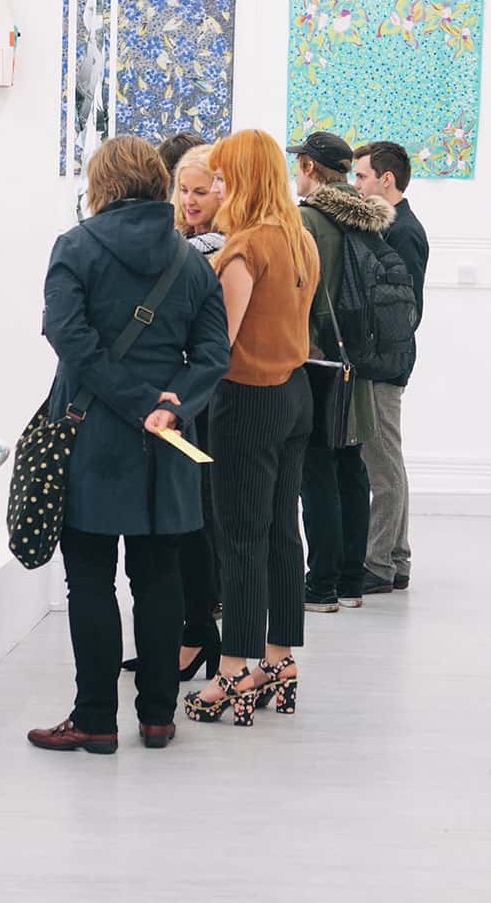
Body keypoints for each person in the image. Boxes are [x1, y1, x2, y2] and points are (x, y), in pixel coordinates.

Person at [28, 138, 231, 755]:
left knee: (89, 580)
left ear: (101, 183)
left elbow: (67, 335)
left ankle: (94, 720)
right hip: (166, 441)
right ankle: (158, 718)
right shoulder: (191, 259)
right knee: (159, 577)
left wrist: (133, 400)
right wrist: (169, 404)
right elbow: (215, 354)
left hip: (91, 432)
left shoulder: (77, 247)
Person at [184, 130, 319, 727]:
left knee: (240, 539)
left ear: (242, 178)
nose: (214, 187)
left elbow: (221, 344)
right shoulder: (301, 239)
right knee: (283, 535)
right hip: (295, 394)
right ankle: (280, 660)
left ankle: (233, 669)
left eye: (221, 177)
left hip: (249, 400)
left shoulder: (244, 249)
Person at [122, 141, 227, 680]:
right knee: (184, 523)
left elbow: (211, 339)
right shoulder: (186, 246)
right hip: (183, 399)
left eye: (201, 191)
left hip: (196, 399)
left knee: (194, 523)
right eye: (183, 190)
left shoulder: (212, 251)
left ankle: (195, 635)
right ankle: (188, 634)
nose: (189, 200)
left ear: (222, 192)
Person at [288, 131, 395, 613]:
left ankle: (321, 585)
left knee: (317, 469)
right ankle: (352, 581)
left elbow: (297, 293)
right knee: (351, 465)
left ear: (311, 168)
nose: (295, 174)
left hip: (317, 358)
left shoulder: (307, 220)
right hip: (360, 360)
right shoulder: (368, 219)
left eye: (299, 165)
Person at [353, 141, 430, 593]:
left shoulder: (402, 232)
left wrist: (377, 352)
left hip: (386, 360)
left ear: (386, 179)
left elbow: (405, 308)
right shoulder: (395, 227)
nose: (356, 186)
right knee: (387, 459)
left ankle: (379, 563)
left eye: (362, 177)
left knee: (381, 464)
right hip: (387, 357)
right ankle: (396, 558)